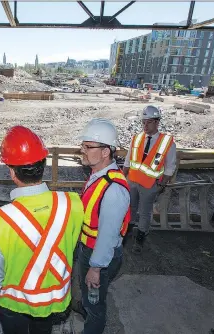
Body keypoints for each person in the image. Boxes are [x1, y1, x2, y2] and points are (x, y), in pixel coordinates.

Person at [0, 125, 84, 334]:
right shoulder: (72, 204)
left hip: (13, 305)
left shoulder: (0, 221)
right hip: (52, 301)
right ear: (43, 164)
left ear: (11, 172)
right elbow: (71, 244)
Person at [75, 118, 130, 333]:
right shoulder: (99, 176)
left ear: (106, 151)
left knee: (96, 303)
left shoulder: (113, 189)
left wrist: (95, 268)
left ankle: (92, 323)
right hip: (88, 247)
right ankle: (85, 306)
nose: (83, 150)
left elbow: (107, 237)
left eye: (88, 147)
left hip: (98, 254)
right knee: (87, 290)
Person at [123, 106, 176, 253]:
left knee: (145, 212)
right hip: (132, 181)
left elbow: (170, 166)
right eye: (144, 122)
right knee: (130, 209)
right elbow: (128, 161)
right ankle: (126, 235)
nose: (145, 126)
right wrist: (122, 178)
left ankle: (140, 239)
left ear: (157, 122)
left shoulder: (166, 142)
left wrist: (161, 185)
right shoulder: (137, 138)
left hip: (149, 184)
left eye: (149, 122)